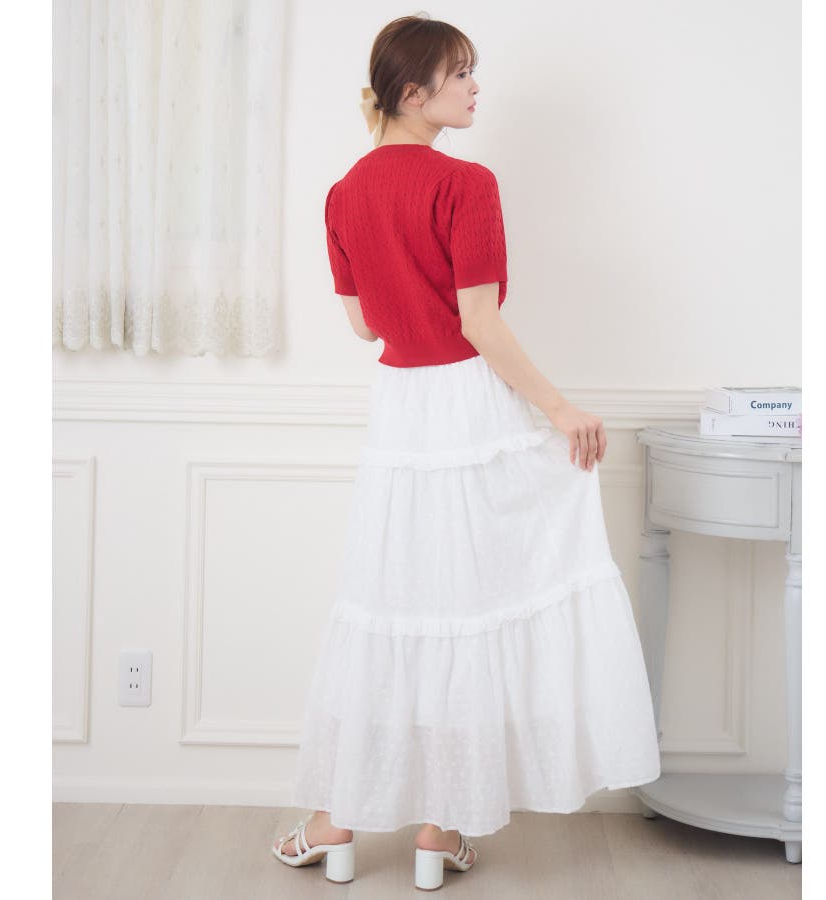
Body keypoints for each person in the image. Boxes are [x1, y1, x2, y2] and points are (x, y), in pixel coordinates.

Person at [272, 13, 661, 890]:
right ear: (415, 93)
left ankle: (336, 824)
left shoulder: (342, 194)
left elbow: (363, 324)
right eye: (461, 74)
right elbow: (479, 321)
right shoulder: (466, 183)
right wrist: (559, 408)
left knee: (390, 604)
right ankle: (437, 830)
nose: (476, 87)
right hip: (467, 407)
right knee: (469, 605)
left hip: (401, 414)